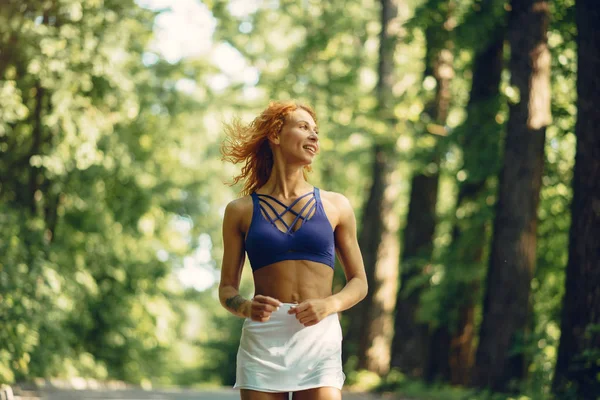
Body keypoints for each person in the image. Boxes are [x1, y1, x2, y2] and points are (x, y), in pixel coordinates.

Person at [219, 101, 368, 400]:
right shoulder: (240, 211)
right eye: (303, 128)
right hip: (264, 338)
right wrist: (246, 307)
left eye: (316, 131)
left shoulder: (336, 205)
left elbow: (360, 282)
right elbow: (226, 289)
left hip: (319, 336)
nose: (314, 136)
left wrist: (330, 305)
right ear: (275, 134)